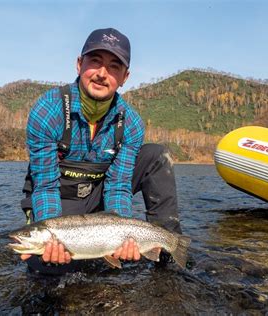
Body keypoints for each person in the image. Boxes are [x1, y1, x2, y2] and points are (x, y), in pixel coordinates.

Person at [20, 28, 181, 273]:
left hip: (99, 197)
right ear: (79, 64)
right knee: (49, 270)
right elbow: (45, 186)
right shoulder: (47, 110)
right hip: (61, 199)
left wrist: (123, 235)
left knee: (156, 155)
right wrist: (54, 239)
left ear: (125, 77)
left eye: (114, 66)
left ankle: (169, 247)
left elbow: (118, 185)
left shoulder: (131, 123)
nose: (102, 74)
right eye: (95, 61)